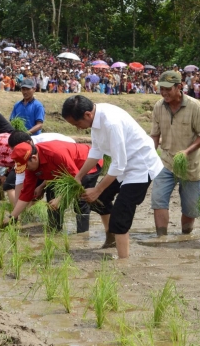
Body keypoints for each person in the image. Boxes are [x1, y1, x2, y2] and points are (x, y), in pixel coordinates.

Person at [62, 95, 163, 259]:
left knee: (120, 217)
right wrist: (78, 176)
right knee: (99, 201)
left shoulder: (111, 123)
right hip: (123, 165)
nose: (78, 128)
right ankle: (111, 239)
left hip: (140, 168)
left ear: (87, 114)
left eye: (77, 124)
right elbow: (96, 151)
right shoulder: (95, 118)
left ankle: (123, 261)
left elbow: (118, 164)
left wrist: (97, 189)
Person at [150, 71, 200, 236]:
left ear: (179, 87)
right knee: (158, 200)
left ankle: (185, 237)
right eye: (161, 89)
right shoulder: (158, 106)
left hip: (190, 165)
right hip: (166, 162)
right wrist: (149, 155)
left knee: (191, 208)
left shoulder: (194, 106)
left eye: (168, 89)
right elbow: (155, 136)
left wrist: (186, 151)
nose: (164, 93)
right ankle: (161, 238)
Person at [4, 141, 103, 233]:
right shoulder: (30, 167)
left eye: (26, 166)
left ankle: (82, 235)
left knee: (81, 199)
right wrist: (12, 216)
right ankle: (55, 230)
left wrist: (60, 198)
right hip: (64, 171)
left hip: (86, 163)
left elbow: (76, 179)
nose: (27, 170)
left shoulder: (55, 154)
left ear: (34, 158)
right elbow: (26, 194)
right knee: (51, 194)